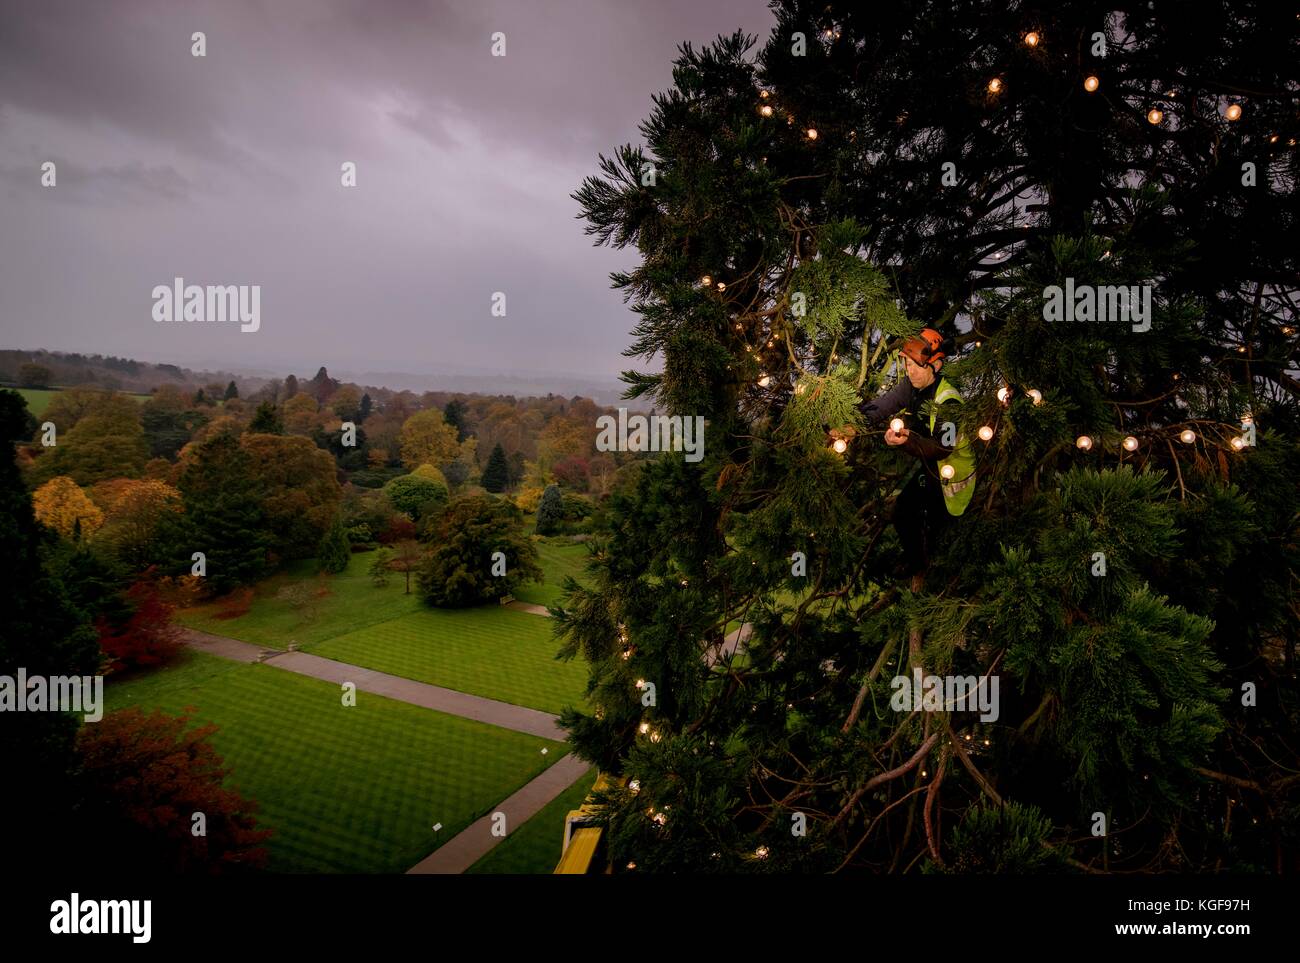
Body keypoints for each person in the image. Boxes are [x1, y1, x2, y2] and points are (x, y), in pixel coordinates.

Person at [860, 328, 976, 575]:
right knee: (902, 512)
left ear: (934, 366)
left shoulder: (949, 402)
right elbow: (883, 405)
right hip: (930, 469)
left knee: (938, 529)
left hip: (952, 476)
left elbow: (942, 448)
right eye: (905, 363)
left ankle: (934, 574)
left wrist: (905, 440)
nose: (908, 370)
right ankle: (918, 567)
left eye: (914, 365)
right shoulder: (912, 386)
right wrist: (852, 423)